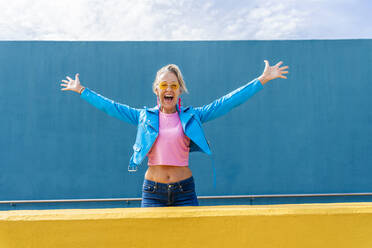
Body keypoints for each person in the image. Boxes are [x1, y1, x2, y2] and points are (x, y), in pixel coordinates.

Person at [60, 60, 289, 207]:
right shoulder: (143, 117)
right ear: (156, 90)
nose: (168, 89)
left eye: (173, 85)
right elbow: (111, 107)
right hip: (152, 192)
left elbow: (226, 102)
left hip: (184, 191)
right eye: (163, 85)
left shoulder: (193, 115)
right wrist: (82, 90)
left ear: (180, 90)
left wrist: (262, 79)